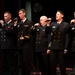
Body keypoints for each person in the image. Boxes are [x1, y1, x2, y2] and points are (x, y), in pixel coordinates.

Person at [46, 10, 70, 75]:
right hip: (53, 47)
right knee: (52, 65)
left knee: (62, 65)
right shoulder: (52, 24)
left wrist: (66, 47)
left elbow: (67, 37)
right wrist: (48, 24)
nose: (56, 15)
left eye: (58, 14)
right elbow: (48, 35)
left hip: (61, 47)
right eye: (56, 14)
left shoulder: (66, 25)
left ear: (62, 16)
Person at [14, 9, 33, 75]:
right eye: (19, 13)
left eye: (20, 13)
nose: (19, 15)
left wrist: (24, 37)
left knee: (26, 63)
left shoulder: (29, 22)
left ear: (24, 14)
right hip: (20, 45)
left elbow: (30, 34)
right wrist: (15, 25)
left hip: (26, 45)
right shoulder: (19, 23)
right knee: (21, 63)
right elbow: (16, 33)